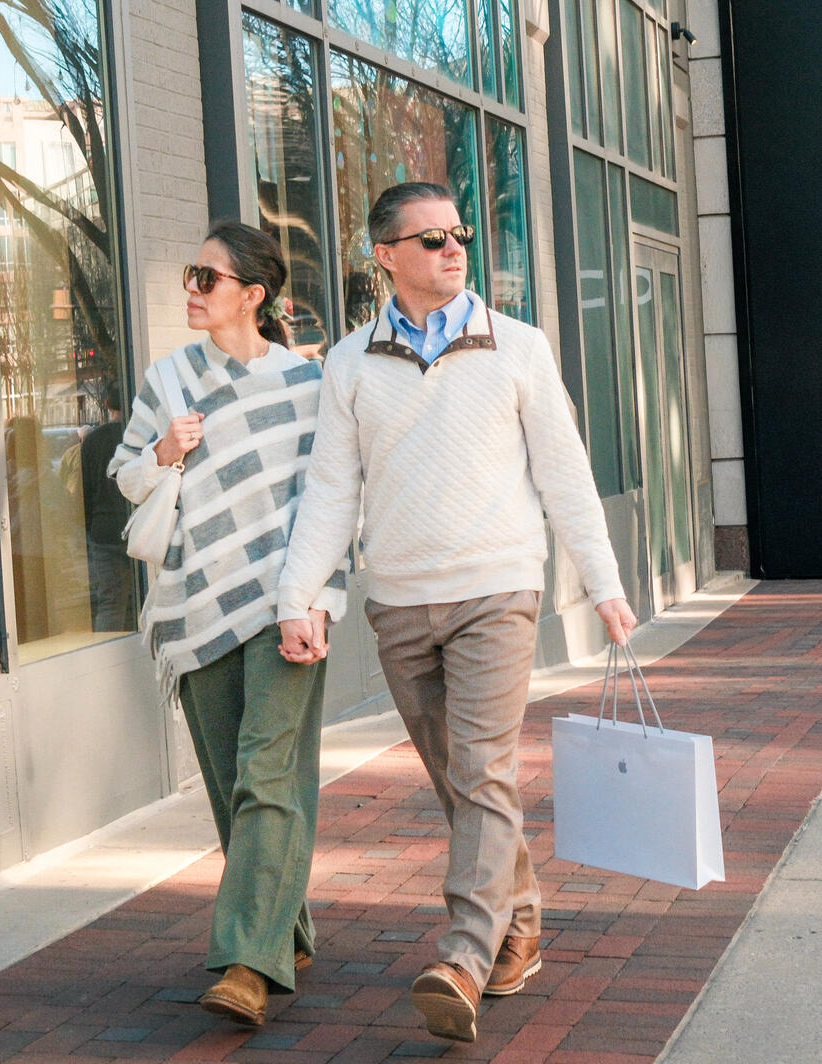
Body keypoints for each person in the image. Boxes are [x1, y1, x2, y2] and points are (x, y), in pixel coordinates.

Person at [276, 182, 636, 1044]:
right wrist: (298, 596)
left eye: (458, 234)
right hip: (399, 600)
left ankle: (463, 958)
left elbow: (564, 474)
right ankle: (519, 920)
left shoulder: (516, 346)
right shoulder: (349, 364)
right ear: (385, 257)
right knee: (460, 781)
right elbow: (330, 489)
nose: (451, 248)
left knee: (481, 769)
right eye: (429, 238)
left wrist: (604, 582)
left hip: (497, 590)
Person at [108, 221, 347, 1027]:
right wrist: (165, 452)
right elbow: (124, 478)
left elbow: (331, 499)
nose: (192, 290)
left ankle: (247, 961)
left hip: (284, 599)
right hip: (193, 605)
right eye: (190, 275)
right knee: (230, 787)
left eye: (207, 279)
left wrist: (320, 597)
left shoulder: (304, 384)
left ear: (253, 294)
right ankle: (288, 927)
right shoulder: (166, 381)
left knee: (266, 774)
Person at [80, 383, 134, 632]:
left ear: (107, 405)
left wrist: (89, 526)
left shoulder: (93, 441)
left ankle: (108, 650)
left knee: (110, 602)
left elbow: (85, 489)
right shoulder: (138, 437)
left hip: (103, 530)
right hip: (136, 527)